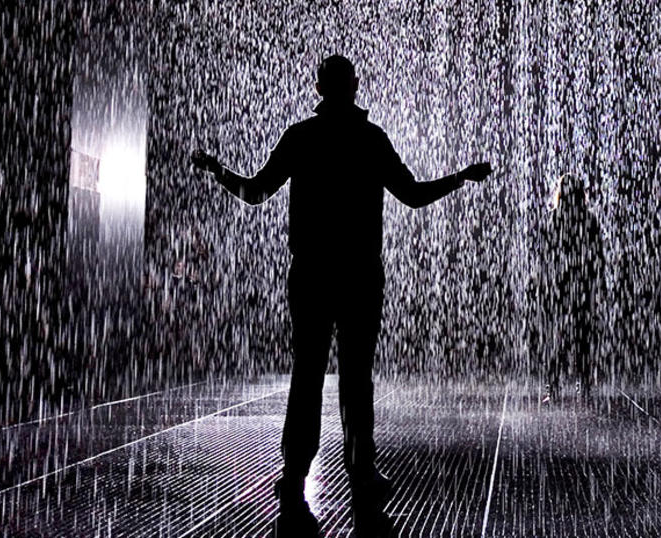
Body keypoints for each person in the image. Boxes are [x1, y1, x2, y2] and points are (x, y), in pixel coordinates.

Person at [192, 55, 492, 537]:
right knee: (357, 377)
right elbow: (412, 196)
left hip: (311, 274)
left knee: (306, 374)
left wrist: (217, 170)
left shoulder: (301, 138)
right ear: (353, 86)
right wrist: (460, 178)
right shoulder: (369, 140)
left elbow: (254, 192)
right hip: (358, 276)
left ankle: (294, 474)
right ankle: (361, 470)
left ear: (319, 87)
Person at [539, 174, 606, 403]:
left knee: (557, 340)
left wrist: (546, 285)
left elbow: (545, 257)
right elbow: (598, 256)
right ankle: (584, 389)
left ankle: (553, 390)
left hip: (560, 286)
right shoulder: (589, 219)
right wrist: (597, 286)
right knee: (582, 340)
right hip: (582, 285)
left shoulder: (554, 219)